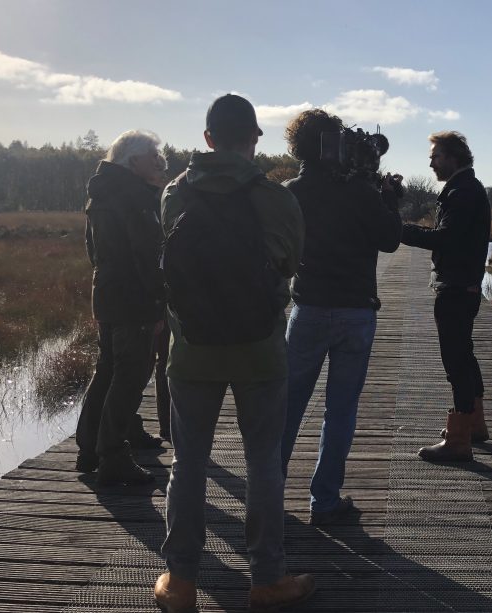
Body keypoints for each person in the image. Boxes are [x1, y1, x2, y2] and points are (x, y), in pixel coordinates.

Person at [152, 94, 315, 613]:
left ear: (207, 138)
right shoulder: (276, 199)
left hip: (192, 351)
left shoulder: (174, 193)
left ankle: (181, 583)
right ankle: (267, 579)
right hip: (260, 349)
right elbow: (290, 264)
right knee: (263, 462)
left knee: (188, 463)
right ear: (254, 139)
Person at [278, 109, 402, 526]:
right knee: (341, 411)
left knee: (287, 407)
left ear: (298, 147)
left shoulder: (291, 192)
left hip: (308, 309)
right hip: (356, 311)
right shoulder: (361, 192)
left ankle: (269, 494)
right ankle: (325, 501)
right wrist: (389, 199)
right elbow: (390, 240)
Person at [75, 129, 168, 485]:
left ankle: (89, 448)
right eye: (153, 156)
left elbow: (92, 250)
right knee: (129, 375)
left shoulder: (101, 192)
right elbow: (147, 256)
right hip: (134, 299)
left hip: (107, 293)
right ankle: (112, 456)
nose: (159, 162)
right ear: (133, 160)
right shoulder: (134, 196)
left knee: (108, 369)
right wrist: (158, 302)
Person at [400, 131, 491, 462]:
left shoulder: (462, 192)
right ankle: (474, 425)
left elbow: (446, 239)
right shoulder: (465, 187)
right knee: (464, 355)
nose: (431, 163)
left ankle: (459, 442)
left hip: (456, 288)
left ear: (453, 157)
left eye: (436, 156)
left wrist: (400, 230)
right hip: (463, 286)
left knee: (456, 362)